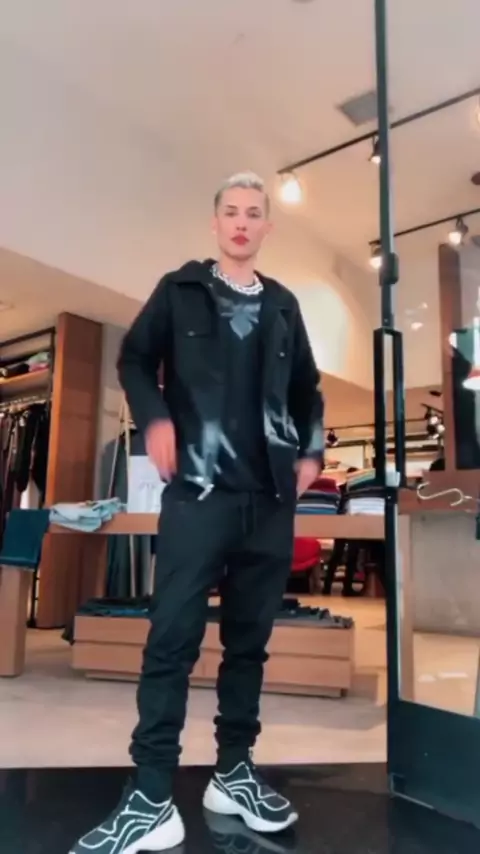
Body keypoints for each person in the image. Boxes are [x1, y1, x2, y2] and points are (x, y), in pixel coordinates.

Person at [71, 172, 324, 854]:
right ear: (215, 224)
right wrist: (154, 418)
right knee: (171, 639)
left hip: (269, 502)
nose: (241, 222)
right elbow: (134, 358)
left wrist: (311, 452)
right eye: (231, 212)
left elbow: (308, 389)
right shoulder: (179, 290)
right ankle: (152, 794)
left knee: (249, 644)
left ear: (267, 226)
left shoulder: (284, 306)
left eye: (253, 213)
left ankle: (233, 773)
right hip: (198, 495)